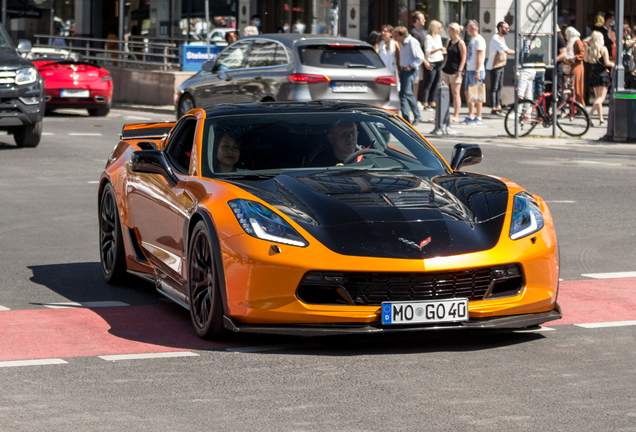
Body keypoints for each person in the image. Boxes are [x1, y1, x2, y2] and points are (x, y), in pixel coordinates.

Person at [393, 26, 424, 126]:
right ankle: (405, 118)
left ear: (402, 35)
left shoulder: (412, 42)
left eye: (396, 36)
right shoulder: (402, 43)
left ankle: (417, 115)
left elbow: (420, 57)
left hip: (410, 69)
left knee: (407, 92)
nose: (395, 38)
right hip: (404, 69)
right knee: (402, 94)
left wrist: (410, 66)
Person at [584, 31, 614, 125]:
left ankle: (601, 119)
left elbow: (586, 60)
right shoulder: (603, 49)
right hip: (602, 74)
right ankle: (589, 115)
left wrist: (585, 49)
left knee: (597, 98)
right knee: (601, 98)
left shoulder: (590, 49)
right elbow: (607, 63)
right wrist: (615, 64)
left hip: (593, 74)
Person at [486, 21, 515, 115]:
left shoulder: (501, 38)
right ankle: (494, 107)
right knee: (494, 87)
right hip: (495, 66)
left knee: (499, 86)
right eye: (506, 28)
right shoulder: (496, 38)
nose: (508, 30)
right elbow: (507, 51)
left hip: (501, 65)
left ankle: (498, 105)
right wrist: (518, 52)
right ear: (500, 29)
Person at [461, 20, 486, 125]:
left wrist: (477, 71)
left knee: (477, 93)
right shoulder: (473, 40)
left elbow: (480, 56)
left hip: (476, 70)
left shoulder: (479, 40)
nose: (466, 29)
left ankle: (478, 116)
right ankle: (471, 115)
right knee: (468, 92)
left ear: (473, 28)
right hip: (470, 68)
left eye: (468, 27)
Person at [441, 22, 466, 123]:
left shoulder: (461, 43)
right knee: (443, 92)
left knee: (455, 94)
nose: (448, 31)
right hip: (446, 70)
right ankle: (442, 113)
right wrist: (443, 66)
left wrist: (460, 70)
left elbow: (464, 57)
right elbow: (447, 55)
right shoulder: (449, 41)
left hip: (455, 71)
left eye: (449, 30)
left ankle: (455, 115)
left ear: (454, 31)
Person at [420, 20, 446, 111]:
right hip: (432, 61)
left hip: (439, 60)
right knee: (429, 82)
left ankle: (433, 101)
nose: (440, 29)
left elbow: (440, 49)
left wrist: (442, 51)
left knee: (436, 82)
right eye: (439, 28)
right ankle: (425, 102)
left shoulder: (438, 37)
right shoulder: (428, 38)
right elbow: (428, 52)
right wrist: (439, 49)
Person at [564, 26, 585, 106]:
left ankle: (577, 105)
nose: (566, 36)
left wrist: (575, 57)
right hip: (572, 65)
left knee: (575, 85)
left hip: (577, 65)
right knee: (572, 86)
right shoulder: (571, 41)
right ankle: (574, 105)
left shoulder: (577, 41)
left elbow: (582, 54)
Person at [409, 12, 427, 106]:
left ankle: (415, 101)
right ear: (417, 20)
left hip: (419, 60)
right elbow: (416, 49)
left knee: (417, 82)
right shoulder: (413, 32)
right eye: (422, 19)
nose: (424, 20)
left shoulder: (419, 31)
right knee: (414, 82)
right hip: (415, 60)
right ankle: (413, 102)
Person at [378, 24, 401, 90]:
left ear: (391, 33)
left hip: (392, 71)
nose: (383, 33)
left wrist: (399, 72)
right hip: (382, 71)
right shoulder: (381, 44)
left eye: (385, 31)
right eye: (382, 31)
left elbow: (398, 58)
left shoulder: (395, 44)